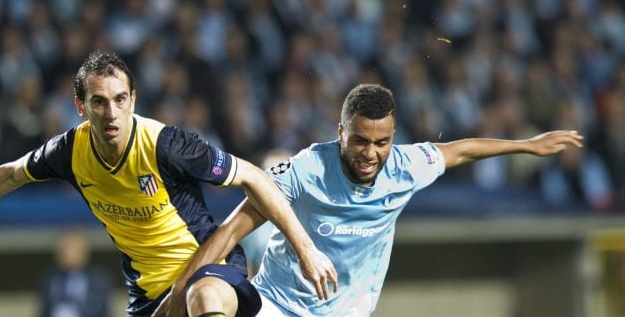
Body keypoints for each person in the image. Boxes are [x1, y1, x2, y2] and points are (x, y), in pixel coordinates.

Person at [0, 51, 336, 317]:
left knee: (205, 298)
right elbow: (8, 175)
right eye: (99, 102)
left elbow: (256, 178)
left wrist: (306, 249)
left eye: (120, 100)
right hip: (146, 295)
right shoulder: (69, 151)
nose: (111, 113)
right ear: (80, 106)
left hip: (210, 267)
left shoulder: (167, 144)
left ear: (133, 100)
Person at [154, 83, 584, 317]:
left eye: (382, 142)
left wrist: (528, 144)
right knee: (209, 294)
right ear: (340, 132)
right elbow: (232, 229)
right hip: (277, 305)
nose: (371, 154)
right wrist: (178, 290)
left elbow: (462, 149)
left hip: (349, 311)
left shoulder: (404, 166)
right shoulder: (305, 170)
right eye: (360, 140)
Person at [38, 231, 111, 317]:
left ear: (84, 252)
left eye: (73, 249)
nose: (68, 254)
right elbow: (44, 310)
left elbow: (104, 311)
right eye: (64, 249)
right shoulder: (50, 279)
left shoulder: (98, 279)